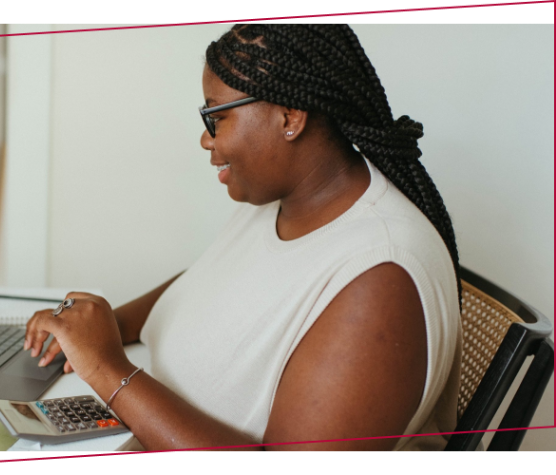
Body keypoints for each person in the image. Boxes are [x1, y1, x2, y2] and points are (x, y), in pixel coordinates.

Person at [23, 23, 462, 452]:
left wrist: (107, 368)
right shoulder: (282, 203)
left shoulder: (380, 280)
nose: (205, 139)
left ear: (290, 117)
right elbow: (206, 284)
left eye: (217, 117)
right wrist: (103, 330)